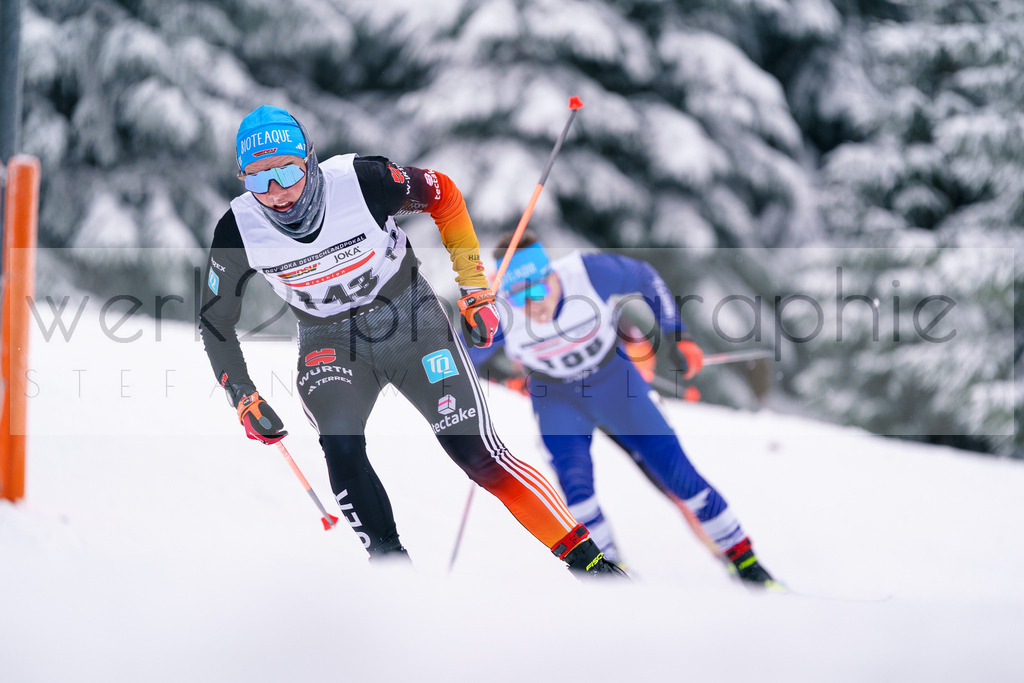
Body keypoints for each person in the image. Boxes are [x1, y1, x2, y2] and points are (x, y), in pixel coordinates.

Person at [199, 105, 624, 577]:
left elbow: (445, 195)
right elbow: (215, 320)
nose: (276, 192)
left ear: (310, 161)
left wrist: (474, 290)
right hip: (332, 341)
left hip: (410, 320)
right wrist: (243, 396)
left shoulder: (364, 182)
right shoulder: (237, 230)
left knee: (476, 453)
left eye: (286, 172)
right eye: (258, 179)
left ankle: (592, 566)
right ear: (243, 179)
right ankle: (396, 581)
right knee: (340, 445)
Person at [467, 231, 779, 588]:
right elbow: (464, 356)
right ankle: (611, 579)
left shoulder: (588, 273)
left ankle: (749, 567)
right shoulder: (498, 310)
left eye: (537, 290)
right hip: (556, 394)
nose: (533, 305)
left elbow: (646, 276)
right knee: (576, 487)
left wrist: (679, 335)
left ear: (551, 273)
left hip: (613, 382)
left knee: (679, 474)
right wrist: (473, 337)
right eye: (520, 297)